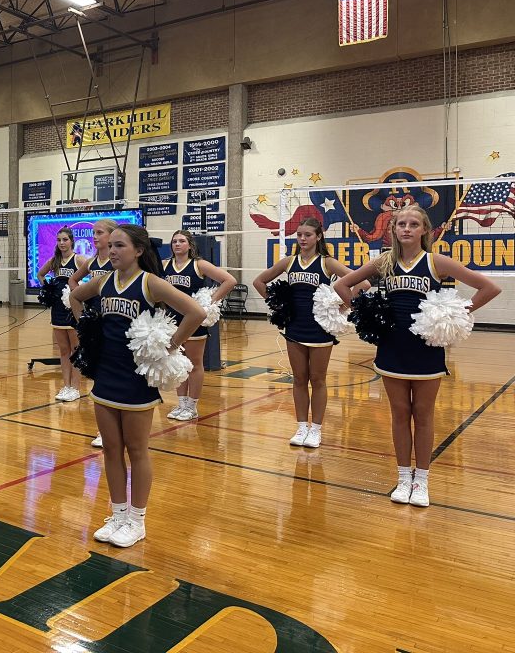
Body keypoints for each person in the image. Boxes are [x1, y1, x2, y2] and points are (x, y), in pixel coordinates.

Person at [334, 205, 499, 507]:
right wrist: (363, 314)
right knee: (399, 415)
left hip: (427, 349)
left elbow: (489, 288)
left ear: (425, 230)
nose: (407, 229)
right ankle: (402, 477)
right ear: (393, 229)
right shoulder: (384, 262)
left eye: (414, 224)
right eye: (401, 224)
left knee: (423, 415)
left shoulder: (436, 262)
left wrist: (457, 314)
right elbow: (342, 285)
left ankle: (421, 479)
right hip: (391, 348)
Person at [70, 224, 205, 547]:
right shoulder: (103, 282)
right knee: (111, 449)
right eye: (111, 246)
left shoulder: (151, 283)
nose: (112, 251)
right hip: (105, 374)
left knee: (137, 450)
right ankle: (117, 515)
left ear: (139, 250)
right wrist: (87, 333)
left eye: (119, 246)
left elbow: (195, 312)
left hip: (136, 379)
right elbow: (75, 296)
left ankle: (137, 520)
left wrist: (169, 346)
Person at [253, 217, 362, 449]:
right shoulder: (288, 262)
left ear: (318, 237)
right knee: (299, 378)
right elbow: (259, 282)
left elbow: (362, 283)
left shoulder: (327, 263)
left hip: (320, 329)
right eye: (299, 235)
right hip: (294, 327)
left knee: (318, 379)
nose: (302, 239)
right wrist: (277, 305)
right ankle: (301, 426)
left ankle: (316, 429)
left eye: (307, 235)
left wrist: (342, 308)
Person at [162, 230, 236, 421]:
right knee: (177, 362)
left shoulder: (198, 264)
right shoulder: (164, 265)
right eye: (174, 241)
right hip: (171, 321)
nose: (177, 244)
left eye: (181, 241)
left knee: (194, 364)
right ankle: (181, 404)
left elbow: (229, 280)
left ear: (190, 245)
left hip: (194, 321)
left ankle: (192, 406)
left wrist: (210, 301)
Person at [68, 219, 118, 447]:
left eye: (99, 233)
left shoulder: (118, 262)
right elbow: (73, 279)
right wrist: (83, 315)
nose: (94, 237)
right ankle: (103, 431)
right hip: (96, 323)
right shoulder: (92, 261)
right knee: (98, 376)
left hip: (116, 323)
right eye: (93, 233)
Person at [37, 227, 88, 402]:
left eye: (65, 240)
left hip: (72, 309)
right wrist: (48, 289)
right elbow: (40, 274)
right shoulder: (54, 260)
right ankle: (66, 386)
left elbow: (92, 277)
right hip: (57, 310)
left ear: (72, 241)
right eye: (59, 240)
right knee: (63, 350)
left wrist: (81, 292)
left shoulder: (79, 259)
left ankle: (76, 387)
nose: (61, 243)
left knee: (75, 349)